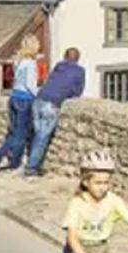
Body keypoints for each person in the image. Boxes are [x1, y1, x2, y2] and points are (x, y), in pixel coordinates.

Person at [24, 48, 86, 178]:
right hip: (51, 104)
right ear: (78, 58)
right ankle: (31, 168)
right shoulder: (80, 71)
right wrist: (67, 95)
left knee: (38, 134)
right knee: (42, 137)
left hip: (39, 100)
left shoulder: (59, 66)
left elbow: (50, 80)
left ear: (65, 57)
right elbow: (77, 91)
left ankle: (33, 163)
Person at [0, 37, 40, 175]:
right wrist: (37, 96)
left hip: (14, 96)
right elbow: (30, 84)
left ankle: (1, 158)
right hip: (25, 99)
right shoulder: (30, 63)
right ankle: (10, 162)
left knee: (13, 132)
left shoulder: (19, 61)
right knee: (20, 134)